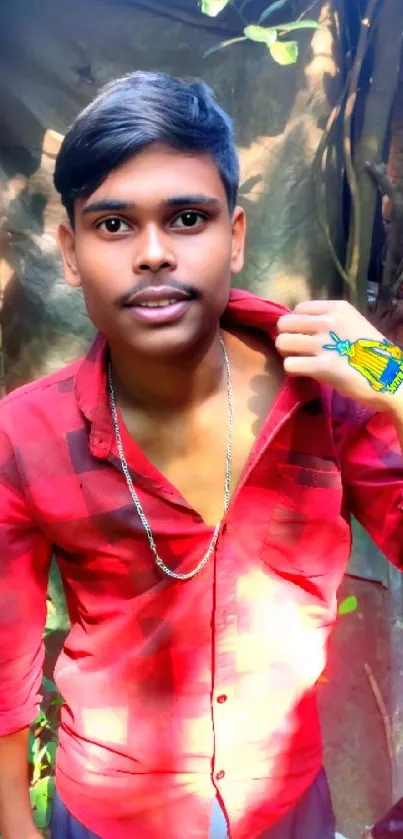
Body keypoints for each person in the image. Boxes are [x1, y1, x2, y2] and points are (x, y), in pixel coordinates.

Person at [0, 71, 401, 839]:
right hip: (111, 809)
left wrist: (395, 381)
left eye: (187, 217)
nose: (153, 253)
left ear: (236, 234)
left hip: (287, 794)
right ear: (71, 250)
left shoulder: (327, 383)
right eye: (114, 225)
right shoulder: (22, 437)